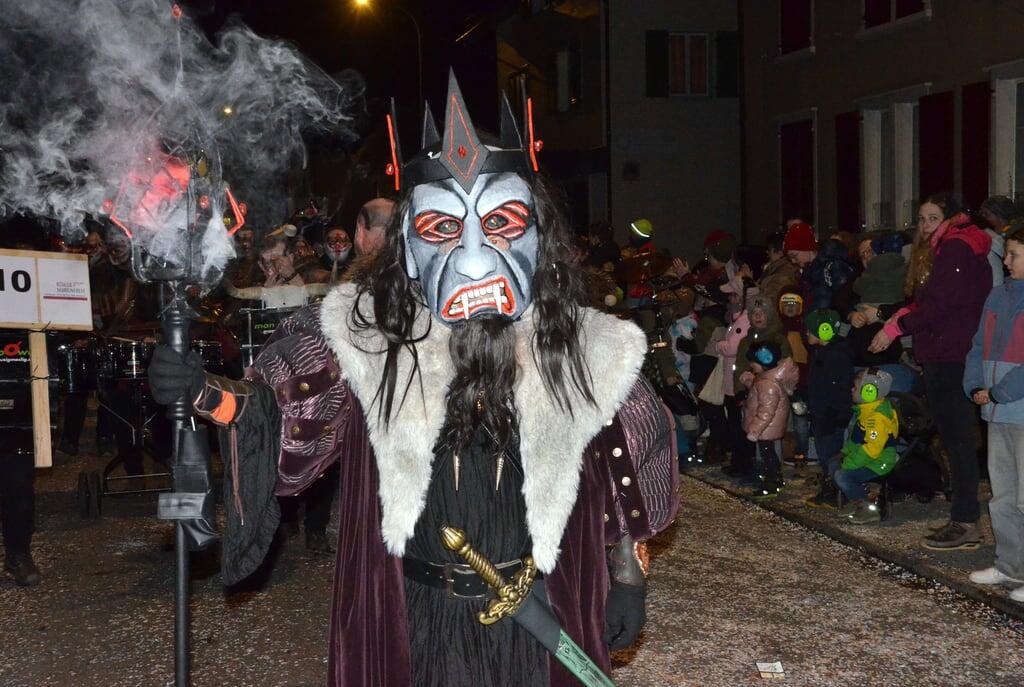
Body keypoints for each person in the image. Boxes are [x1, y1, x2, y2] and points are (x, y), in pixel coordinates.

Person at [148, 74, 678, 686]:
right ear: (407, 246)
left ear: (540, 234)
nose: (474, 259)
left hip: (538, 622)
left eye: (503, 221)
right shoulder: (362, 339)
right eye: (441, 229)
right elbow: (280, 412)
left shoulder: (590, 349)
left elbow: (624, 471)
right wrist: (206, 394)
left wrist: (628, 576)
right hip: (418, 625)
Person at [870, 193, 992, 550]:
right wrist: (899, 316)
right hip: (950, 349)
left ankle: (966, 521)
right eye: (921, 219)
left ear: (950, 219)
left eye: (932, 218)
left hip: (949, 353)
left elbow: (940, 305)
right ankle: (965, 518)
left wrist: (897, 327)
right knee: (956, 438)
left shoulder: (954, 249)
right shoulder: (955, 246)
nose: (924, 226)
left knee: (957, 439)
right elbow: (933, 301)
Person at [964, 226, 1024, 600]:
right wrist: (974, 385)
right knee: (1002, 496)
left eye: (1014, 254)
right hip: (997, 413)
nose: (1005, 261)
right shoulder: (998, 296)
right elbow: (977, 346)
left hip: (1017, 409)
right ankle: (1010, 565)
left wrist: (999, 391)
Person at [803, 308, 856, 509]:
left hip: (830, 416)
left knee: (830, 454)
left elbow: (840, 389)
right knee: (824, 453)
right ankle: (829, 488)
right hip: (821, 413)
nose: (806, 333)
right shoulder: (821, 352)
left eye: (810, 330)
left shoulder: (836, 356)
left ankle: (835, 491)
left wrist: (834, 414)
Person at [834, 368, 899, 524]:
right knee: (834, 464)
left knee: (843, 476)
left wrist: (849, 463)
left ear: (869, 392)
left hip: (880, 461)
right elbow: (856, 439)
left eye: (855, 387)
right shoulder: (866, 410)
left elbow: (872, 449)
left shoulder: (876, 418)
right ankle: (855, 500)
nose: (852, 389)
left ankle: (867, 509)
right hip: (869, 457)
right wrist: (845, 452)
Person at [742, 341, 799, 499]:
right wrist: (749, 381)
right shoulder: (767, 379)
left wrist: (755, 430)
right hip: (768, 427)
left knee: (768, 456)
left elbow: (766, 411)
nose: (751, 365)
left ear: (764, 361)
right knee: (770, 454)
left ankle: (771, 484)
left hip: (766, 427)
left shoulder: (767, 384)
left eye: (753, 362)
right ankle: (776, 479)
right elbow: (758, 391)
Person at [783, 221, 858, 312]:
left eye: (794, 256)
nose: (793, 261)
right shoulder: (807, 271)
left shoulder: (833, 266)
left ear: (807, 248)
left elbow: (846, 302)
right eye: (790, 257)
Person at [978, 195, 1019, 287]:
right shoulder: (988, 237)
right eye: (982, 214)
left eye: (987, 215)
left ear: (1001, 217)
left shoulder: (1014, 239)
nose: (983, 218)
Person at [758, 231, 800, 307]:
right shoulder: (774, 268)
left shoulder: (787, 272)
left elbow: (769, 297)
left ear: (780, 253)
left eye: (769, 249)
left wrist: (750, 283)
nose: (767, 252)